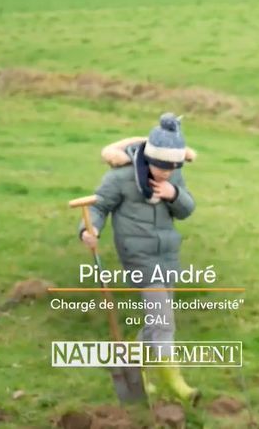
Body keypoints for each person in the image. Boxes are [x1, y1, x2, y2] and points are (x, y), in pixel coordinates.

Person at [78, 112, 200, 405]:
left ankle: (135, 366)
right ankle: (176, 383)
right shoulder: (121, 176)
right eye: (162, 167)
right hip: (138, 257)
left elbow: (187, 209)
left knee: (155, 321)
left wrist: (173, 194)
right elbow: (98, 206)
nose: (166, 173)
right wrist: (88, 229)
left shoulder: (173, 176)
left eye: (173, 167)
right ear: (150, 158)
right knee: (164, 321)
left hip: (168, 254)